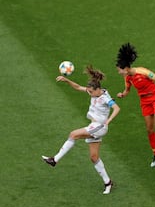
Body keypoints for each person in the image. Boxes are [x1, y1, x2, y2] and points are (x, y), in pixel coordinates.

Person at [42, 66, 120, 195]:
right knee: (94, 157)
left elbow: (117, 108)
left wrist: (109, 120)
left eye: (90, 91)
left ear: (97, 90)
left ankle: (54, 160)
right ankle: (108, 182)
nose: (88, 93)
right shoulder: (94, 92)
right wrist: (67, 81)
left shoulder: (105, 98)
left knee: (73, 134)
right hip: (94, 126)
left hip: (99, 127)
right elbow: (78, 87)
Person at [116, 43, 155, 167]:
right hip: (145, 102)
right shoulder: (127, 78)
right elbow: (127, 90)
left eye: (119, 70)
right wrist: (122, 94)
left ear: (125, 68)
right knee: (149, 129)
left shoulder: (142, 71)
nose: (119, 72)